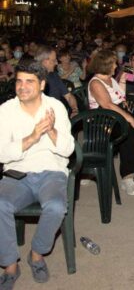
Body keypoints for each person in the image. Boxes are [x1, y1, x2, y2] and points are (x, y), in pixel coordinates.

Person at [0, 61, 75, 288]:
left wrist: (51, 131)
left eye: (29, 82)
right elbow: (2, 152)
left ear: (42, 84)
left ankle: (37, 253)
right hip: (17, 173)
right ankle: (10, 264)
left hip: (51, 172)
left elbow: (68, 149)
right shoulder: (5, 110)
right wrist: (32, 137)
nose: (23, 87)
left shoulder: (56, 108)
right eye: (19, 81)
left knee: (55, 207)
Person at [87, 50, 134, 196]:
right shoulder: (96, 83)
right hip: (103, 119)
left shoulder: (110, 79)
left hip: (116, 115)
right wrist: (130, 119)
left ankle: (128, 175)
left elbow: (121, 96)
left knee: (133, 131)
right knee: (130, 133)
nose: (116, 65)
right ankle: (128, 177)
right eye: (114, 63)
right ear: (105, 65)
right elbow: (107, 105)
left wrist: (123, 78)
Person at [35, 46, 79, 118]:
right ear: (45, 62)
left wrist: (75, 109)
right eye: (54, 60)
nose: (56, 63)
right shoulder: (33, 79)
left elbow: (68, 96)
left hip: (56, 115)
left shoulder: (54, 76)